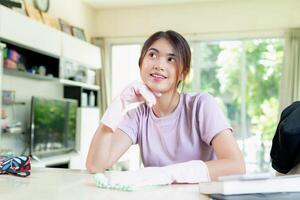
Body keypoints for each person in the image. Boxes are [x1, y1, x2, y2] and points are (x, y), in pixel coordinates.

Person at [86, 30, 245, 186]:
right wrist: (118, 105)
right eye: (152, 55)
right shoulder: (138, 116)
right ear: (141, 63)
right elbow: (95, 165)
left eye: (171, 59)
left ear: (183, 73)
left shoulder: (200, 105)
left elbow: (236, 166)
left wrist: (168, 174)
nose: (159, 65)